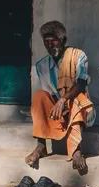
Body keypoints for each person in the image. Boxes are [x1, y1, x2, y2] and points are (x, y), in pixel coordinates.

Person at [26, 20, 95, 175]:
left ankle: (76, 150)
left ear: (63, 41)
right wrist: (59, 104)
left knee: (78, 98)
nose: (51, 45)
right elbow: (47, 93)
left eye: (54, 41)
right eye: (47, 42)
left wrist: (64, 100)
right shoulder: (41, 65)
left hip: (79, 108)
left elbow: (81, 84)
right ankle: (41, 146)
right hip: (58, 110)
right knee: (39, 97)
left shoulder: (78, 55)